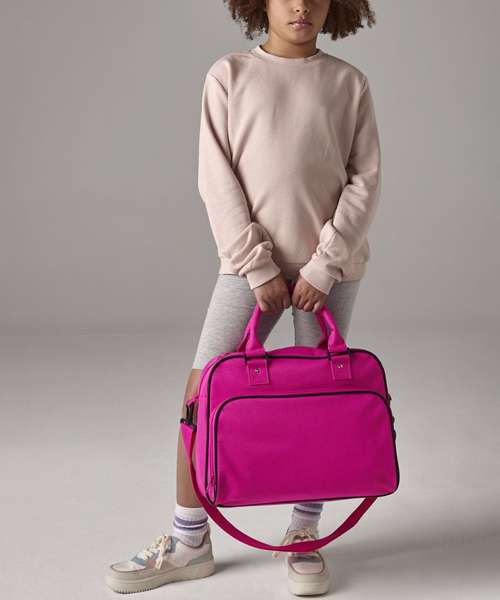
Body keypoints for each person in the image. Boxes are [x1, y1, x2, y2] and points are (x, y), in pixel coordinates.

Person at [105, 0, 379, 595]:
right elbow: (216, 179)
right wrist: (257, 267)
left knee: (317, 399)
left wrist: (323, 266)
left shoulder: (349, 84)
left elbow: (365, 181)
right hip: (248, 265)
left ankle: (304, 532)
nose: (300, 5)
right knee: (200, 393)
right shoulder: (229, 75)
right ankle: (189, 540)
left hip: (328, 270)